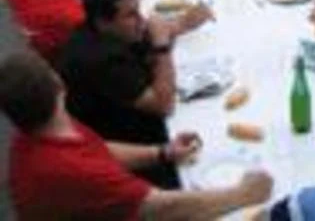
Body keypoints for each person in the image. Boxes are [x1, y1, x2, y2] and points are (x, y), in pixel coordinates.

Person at [0, 51, 273, 219]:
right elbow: (159, 209)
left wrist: (162, 152)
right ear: (58, 84)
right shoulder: (70, 170)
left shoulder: (39, 127)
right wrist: (241, 194)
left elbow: (96, 149)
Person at [57, 0, 209, 188]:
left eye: (139, 11)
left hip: (128, 125)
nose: (142, 20)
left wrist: (180, 24)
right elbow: (164, 105)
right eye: (131, 15)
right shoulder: (102, 60)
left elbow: (142, 41)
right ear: (103, 21)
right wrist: (162, 46)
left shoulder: (99, 30)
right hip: (129, 152)